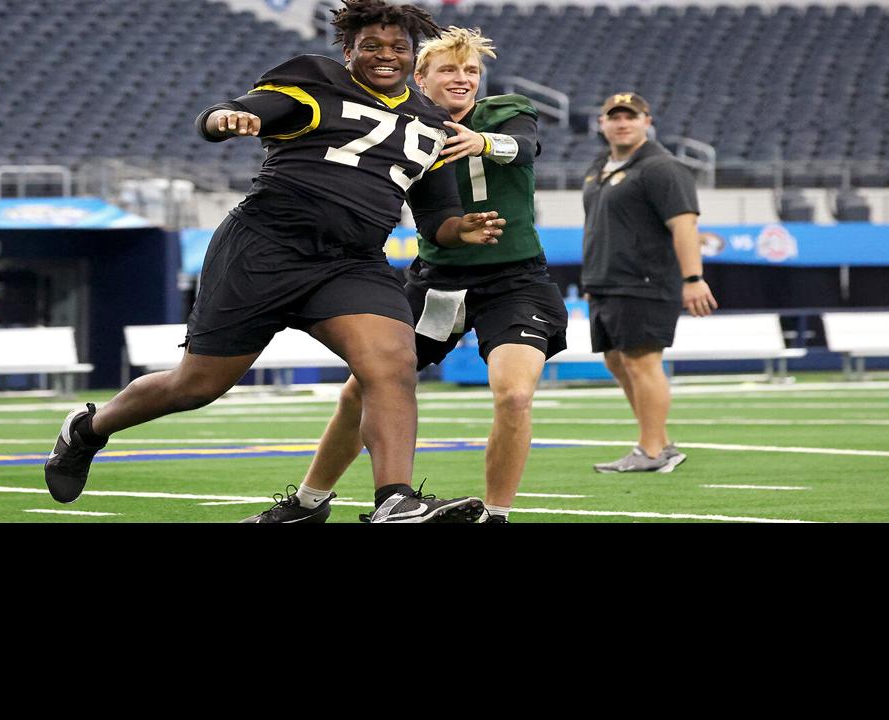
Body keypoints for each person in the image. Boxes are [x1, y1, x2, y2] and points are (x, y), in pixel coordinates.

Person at [43, 0, 505, 522]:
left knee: (393, 364)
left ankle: (395, 499)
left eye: (398, 47)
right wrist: (227, 119)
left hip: (350, 263)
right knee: (196, 385)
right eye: (370, 46)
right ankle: (88, 430)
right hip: (265, 248)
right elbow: (247, 109)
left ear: (412, 54)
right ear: (348, 50)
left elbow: (436, 214)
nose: (385, 55)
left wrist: (458, 228)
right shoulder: (315, 80)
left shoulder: (431, 122)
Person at [241, 26, 567, 524]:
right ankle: (307, 503)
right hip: (438, 280)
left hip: (513, 280)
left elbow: (524, 146)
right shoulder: (403, 128)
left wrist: (480, 141)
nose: (463, 79)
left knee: (516, 393)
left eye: (471, 70)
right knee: (360, 389)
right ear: (420, 77)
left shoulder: (507, 109)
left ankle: (497, 514)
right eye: (449, 70)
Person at [580, 91, 717, 473]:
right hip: (607, 281)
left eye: (631, 116)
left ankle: (652, 451)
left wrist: (693, 278)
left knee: (642, 361)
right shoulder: (599, 166)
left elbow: (684, 223)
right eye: (615, 116)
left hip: (645, 279)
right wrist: (594, 275)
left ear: (647, 122)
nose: (622, 122)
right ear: (602, 123)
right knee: (617, 361)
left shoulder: (662, 167)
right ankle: (660, 444)